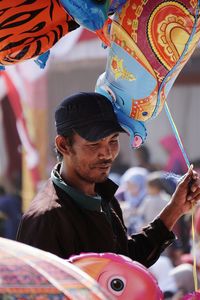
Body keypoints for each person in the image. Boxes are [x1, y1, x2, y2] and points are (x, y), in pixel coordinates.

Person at [16, 92, 200, 269]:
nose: (107, 153)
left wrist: (176, 208)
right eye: (94, 144)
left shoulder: (103, 196)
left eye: (113, 140)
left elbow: (126, 261)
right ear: (63, 145)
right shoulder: (46, 218)